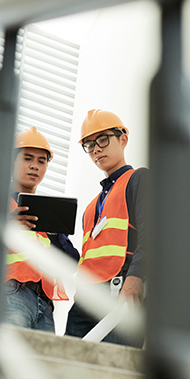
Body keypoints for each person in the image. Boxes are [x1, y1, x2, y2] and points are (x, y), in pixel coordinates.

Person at [0, 126, 79, 333]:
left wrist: (56, 233)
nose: (34, 166)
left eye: (41, 161)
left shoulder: (47, 212)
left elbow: (71, 263)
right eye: (27, 158)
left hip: (44, 305)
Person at [65, 109, 148, 346]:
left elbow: (150, 234)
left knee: (113, 363)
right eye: (89, 145)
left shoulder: (138, 179)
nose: (96, 149)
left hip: (119, 290)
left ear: (123, 139)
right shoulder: (91, 207)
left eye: (102, 139)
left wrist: (135, 277)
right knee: (68, 362)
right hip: (84, 301)